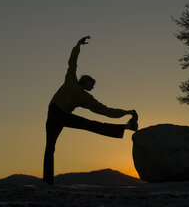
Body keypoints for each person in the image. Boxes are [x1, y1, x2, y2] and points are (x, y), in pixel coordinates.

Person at [43, 35, 138, 185]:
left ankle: (126, 126)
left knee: (90, 125)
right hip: (55, 112)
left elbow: (104, 110)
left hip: (58, 114)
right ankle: (47, 181)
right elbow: (72, 62)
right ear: (85, 80)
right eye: (91, 83)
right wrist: (78, 45)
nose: (92, 87)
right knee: (50, 146)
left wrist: (124, 112)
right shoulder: (71, 79)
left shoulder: (86, 98)